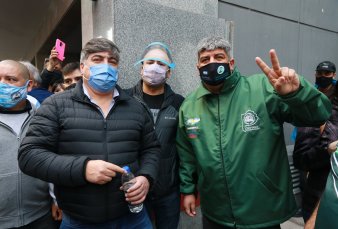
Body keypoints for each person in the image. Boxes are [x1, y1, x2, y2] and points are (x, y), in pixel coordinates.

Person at [176, 36, 331, 229]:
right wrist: (188, 190)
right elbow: (187, 155)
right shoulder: (189, 106)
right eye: (205, 60)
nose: (212, 63)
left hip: (261, 212)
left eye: (219, 57)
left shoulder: (263, 88)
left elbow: (318, 115)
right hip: (214, 213)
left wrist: (296, 93)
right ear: (197, 66)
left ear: (231, 63)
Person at [18, 37, 160, 229]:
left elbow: (151, 149)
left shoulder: (136, 107)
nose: (106, 66)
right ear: (83, 67)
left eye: (112, 61)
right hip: (79, 220)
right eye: (97, 59)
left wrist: (146, 177)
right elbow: (30, 156)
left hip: (133, 217)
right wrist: (82, 169)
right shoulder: (56, 105)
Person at [127, 42, 184, 229]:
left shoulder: (179, 103)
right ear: (141, 68)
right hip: (134, 190)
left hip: (168, 192)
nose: (155, 67)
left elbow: (185, 148)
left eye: (161, 64)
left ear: (169, 72)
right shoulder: (125, 100)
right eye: (150, 62)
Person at [0, 60, 57, 229]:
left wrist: (56, 199)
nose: (2, 84)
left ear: (29, 85)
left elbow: (52, 159)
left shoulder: (43, 117)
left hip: (40, 215)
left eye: (10, 79)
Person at [293, 61, 336, 222]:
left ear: (333, 75)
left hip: (332, 163)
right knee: (307, 191)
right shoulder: (311, 94)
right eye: (320, 73)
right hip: (313, 157)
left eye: (327, 74)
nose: (323, 77)